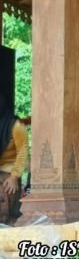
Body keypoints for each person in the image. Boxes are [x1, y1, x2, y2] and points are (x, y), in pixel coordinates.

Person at [0, 93, 28, 224]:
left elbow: (23, 151)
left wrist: (14, 177)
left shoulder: (17, 125)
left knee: (6, 216)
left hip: (8, 176)